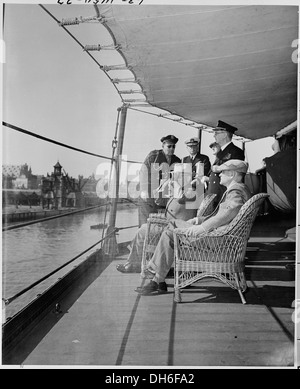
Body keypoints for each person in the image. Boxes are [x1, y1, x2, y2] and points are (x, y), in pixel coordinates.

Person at [135, 159, 251, 294]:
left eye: (222, 172)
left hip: (218, 240)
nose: (219, 175)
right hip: (221, 236)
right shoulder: (239, 190)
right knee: (171, 228)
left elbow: (228, 212)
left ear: (232, 174)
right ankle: (157, 278)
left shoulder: (235, 192)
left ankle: (155, 273)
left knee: (170, 230)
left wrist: (202, 228)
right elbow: (225, 215)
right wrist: (199, 219)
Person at [116, 164, 199, 273]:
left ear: (188, 177)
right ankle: (134, 263)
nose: (176, 178)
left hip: (177, 230)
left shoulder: (192, 191)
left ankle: (135, 264)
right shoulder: (178, 190)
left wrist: (175, 184)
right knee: (143, 229)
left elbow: (182, 199)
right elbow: (159, 202)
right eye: (176, 175)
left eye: (179, 176)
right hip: (168, 225)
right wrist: (162, 188)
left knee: (142, 231)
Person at [138, 134, 181, 227]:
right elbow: (143, 173)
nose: (171, 148)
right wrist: (144, 190)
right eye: (169, 146)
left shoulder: (176, 160)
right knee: (145, 226)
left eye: (173, 146)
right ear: (163, 146)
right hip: (148, 196)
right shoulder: (154, 156)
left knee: (160, 225)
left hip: (163, 198)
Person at [206, 120, 245, 207]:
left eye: (216, 133)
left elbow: (234, 175)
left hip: (225, 195)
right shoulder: (220, 152)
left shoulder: (236, 152)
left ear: (224, 135)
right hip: (215, 192)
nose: (214, 135)